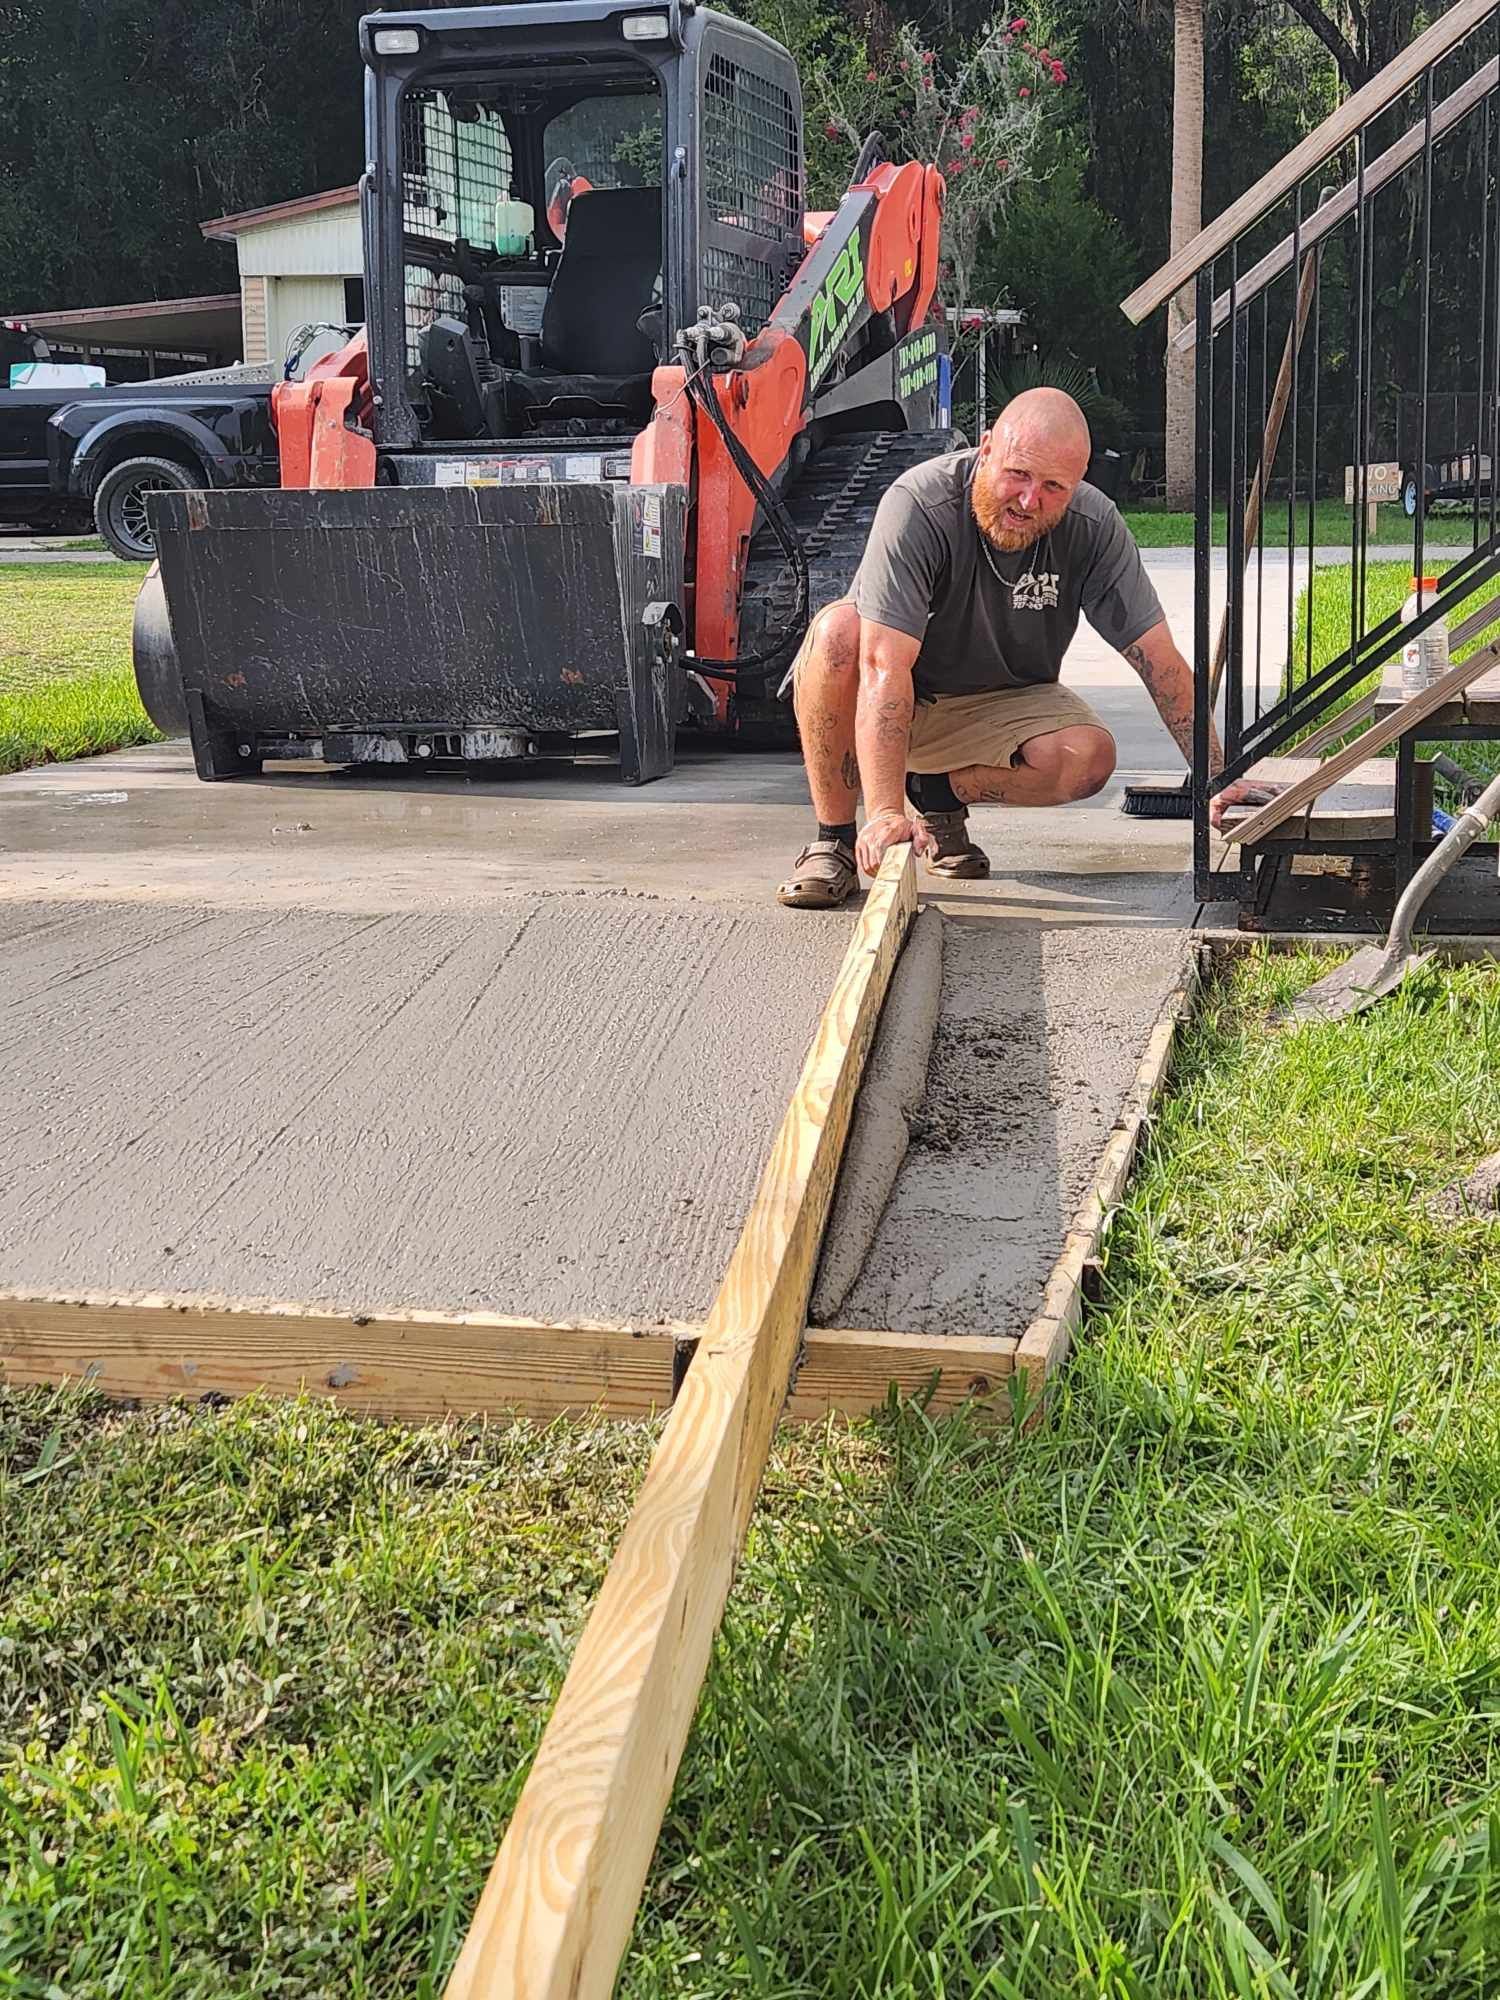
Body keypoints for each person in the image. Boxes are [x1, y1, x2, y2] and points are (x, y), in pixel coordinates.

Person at [776, 387, 1262, 907]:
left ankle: (936, 797)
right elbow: (882, 665)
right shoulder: (920, 503)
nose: (1030, 501)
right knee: (839, 634)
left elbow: (1161, 663)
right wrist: (886, 813)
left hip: (1002, 697)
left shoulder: (1094, 527)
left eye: (1054, 486)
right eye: (1019, 474)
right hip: (900, 692)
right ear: (986, 449)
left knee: (1087, 759)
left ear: (1077, 485)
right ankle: (833, 841)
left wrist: (1217, 777)